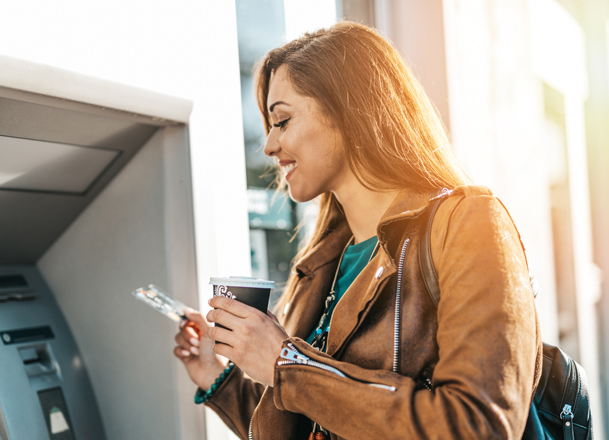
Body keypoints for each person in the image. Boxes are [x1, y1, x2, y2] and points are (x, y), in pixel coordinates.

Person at [173, 21, 540, 439]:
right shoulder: (324, 262)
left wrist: (286, 362)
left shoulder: (469, 224)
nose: (269, 146)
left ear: (348, 111)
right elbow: (314, 423)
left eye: (282, 121)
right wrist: (217, 375)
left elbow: (476, 427)